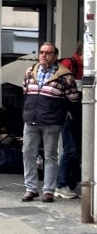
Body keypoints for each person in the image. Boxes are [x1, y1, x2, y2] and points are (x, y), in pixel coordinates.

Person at [20, 42, 80, 203]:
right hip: (31, 120)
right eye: (41, 52)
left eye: (48, 53)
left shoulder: (65, 76)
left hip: (52, 122)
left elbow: (73, 99)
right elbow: (26, 93)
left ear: (55, 56)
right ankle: (30, 189)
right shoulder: (30, 71)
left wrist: (62, 114)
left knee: (50, 156)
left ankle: (48, 190)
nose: (44, 55)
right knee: (28, 154)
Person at [56, 41, 84, 199]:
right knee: (71, 149)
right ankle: (62, 184)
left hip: (77, 113)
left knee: (76, 150)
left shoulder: (80, 65)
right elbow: (60, 88)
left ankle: (71, 184)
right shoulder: (70, 64)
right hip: (70, 113)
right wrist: (65, 109)